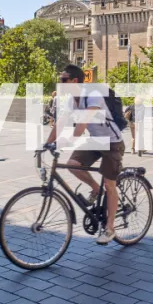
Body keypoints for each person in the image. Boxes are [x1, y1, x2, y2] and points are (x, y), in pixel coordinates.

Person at [44, 65, 124, 245]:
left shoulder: (93, 95)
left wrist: (65, 142)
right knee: (73, 164)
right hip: (96, 140)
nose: (60, 82)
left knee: (111, 184)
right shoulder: (72, 100)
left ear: (74, 81)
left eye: (63, 79)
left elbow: (80, 127)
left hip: (112, 142)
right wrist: (47, 143)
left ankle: (110, 228)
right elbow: (61, 122)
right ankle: (97, 189)